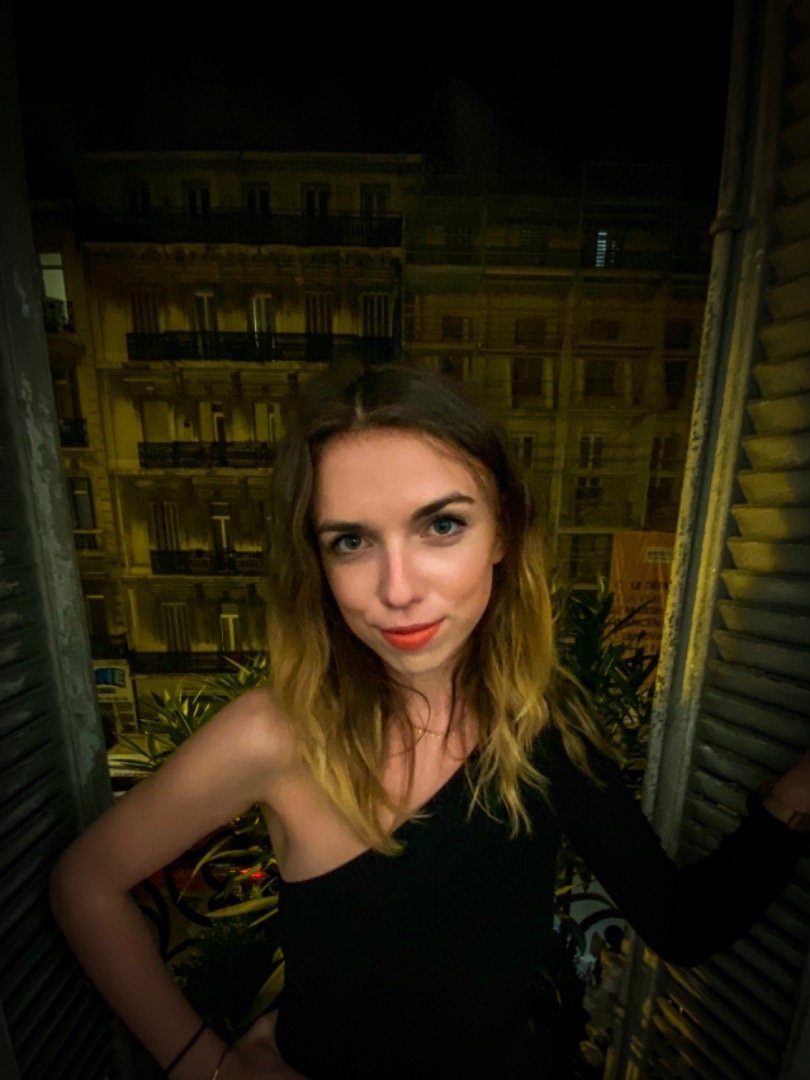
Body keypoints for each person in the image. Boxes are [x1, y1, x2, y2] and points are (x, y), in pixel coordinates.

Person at [51, 361, 810, 1080]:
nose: (398, 589)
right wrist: (202, 1064)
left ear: (503, 531)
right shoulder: (279, 734)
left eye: (441, 526)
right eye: (352, 541)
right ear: (317, 562)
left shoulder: (545, 723)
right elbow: (86, 884)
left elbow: (682, 924)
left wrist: (790, 800)